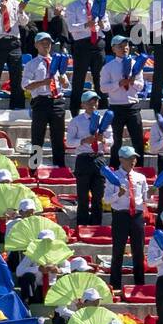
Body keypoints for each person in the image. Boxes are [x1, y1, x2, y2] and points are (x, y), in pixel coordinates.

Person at [104, 145, 149, 292]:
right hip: (120, 215)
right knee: (118, 251)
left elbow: (144, 198)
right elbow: (106, 200)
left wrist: (151, 194)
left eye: (134, 158)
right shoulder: (113, 177)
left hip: (136, 215)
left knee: (139, 251)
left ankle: (139, 284)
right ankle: (115, 285)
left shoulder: (140, 177)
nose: (133, 160)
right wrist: (119, 194)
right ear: (121, 159)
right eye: (129, 158)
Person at [64, 0, 110, 116]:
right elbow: (71, 27)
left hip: (98, 42)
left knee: (100, 78)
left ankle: (102, 108)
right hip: (82, 44)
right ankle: (75, 110)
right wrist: (85, 25)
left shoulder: (98, 4)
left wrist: (103, 24)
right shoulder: (73, 6)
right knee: (79, 78)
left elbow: (107, 26)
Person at [22, 32, 68, 167]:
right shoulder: (31, 64)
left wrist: (63, 81)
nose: (46, 45)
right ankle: (34, 168)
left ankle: (60, 167)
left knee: (58, 138)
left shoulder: (57, 61)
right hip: (41, 101)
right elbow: (25, 85)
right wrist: (43, 82)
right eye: (42, 42)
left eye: (48, 42)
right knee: (37, 138)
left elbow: (65, 85)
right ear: (36, 45)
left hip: (57, 101)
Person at [67, 90, 112, 225]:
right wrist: (83, 141)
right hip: (83, 158)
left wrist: (103, 140)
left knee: (98, 195)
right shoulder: (76, 121)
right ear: (83, 105)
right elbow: (69, 141)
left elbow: (112, 140)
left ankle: (96, 224)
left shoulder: (104, 120)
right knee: (83, 196)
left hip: (99, 158)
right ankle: (82, 224)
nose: (93, 104)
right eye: (89, 102)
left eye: (95, 101)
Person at [100, 36, 146, 167]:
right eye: (120, 46)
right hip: (116, 107)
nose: (124, 48)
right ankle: (114, 166)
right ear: (113, 48)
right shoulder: (108, 67)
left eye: (126, 46)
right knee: (116, 141)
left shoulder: (135, 64)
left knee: (137, 140)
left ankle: (139, 167)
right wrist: (118, 83)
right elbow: (103, 88)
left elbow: (141, 85)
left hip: (132, 106)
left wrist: (133, 82)